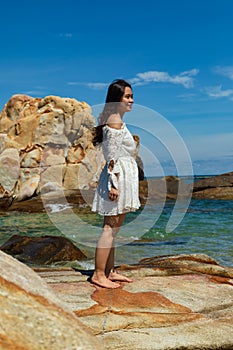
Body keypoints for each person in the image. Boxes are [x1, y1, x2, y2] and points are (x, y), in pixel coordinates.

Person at [91, 79, 140, 288]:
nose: (131, 100)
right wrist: (113, 184)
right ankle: (98, 274)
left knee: (115, 228)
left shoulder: (117, 119)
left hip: (122, 178)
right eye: (127, 96)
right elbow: (111, 157)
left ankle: (109, 271)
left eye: (131, 96)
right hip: (116, 179)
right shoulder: (114, 120)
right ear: (116, 99)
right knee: (109, 227)